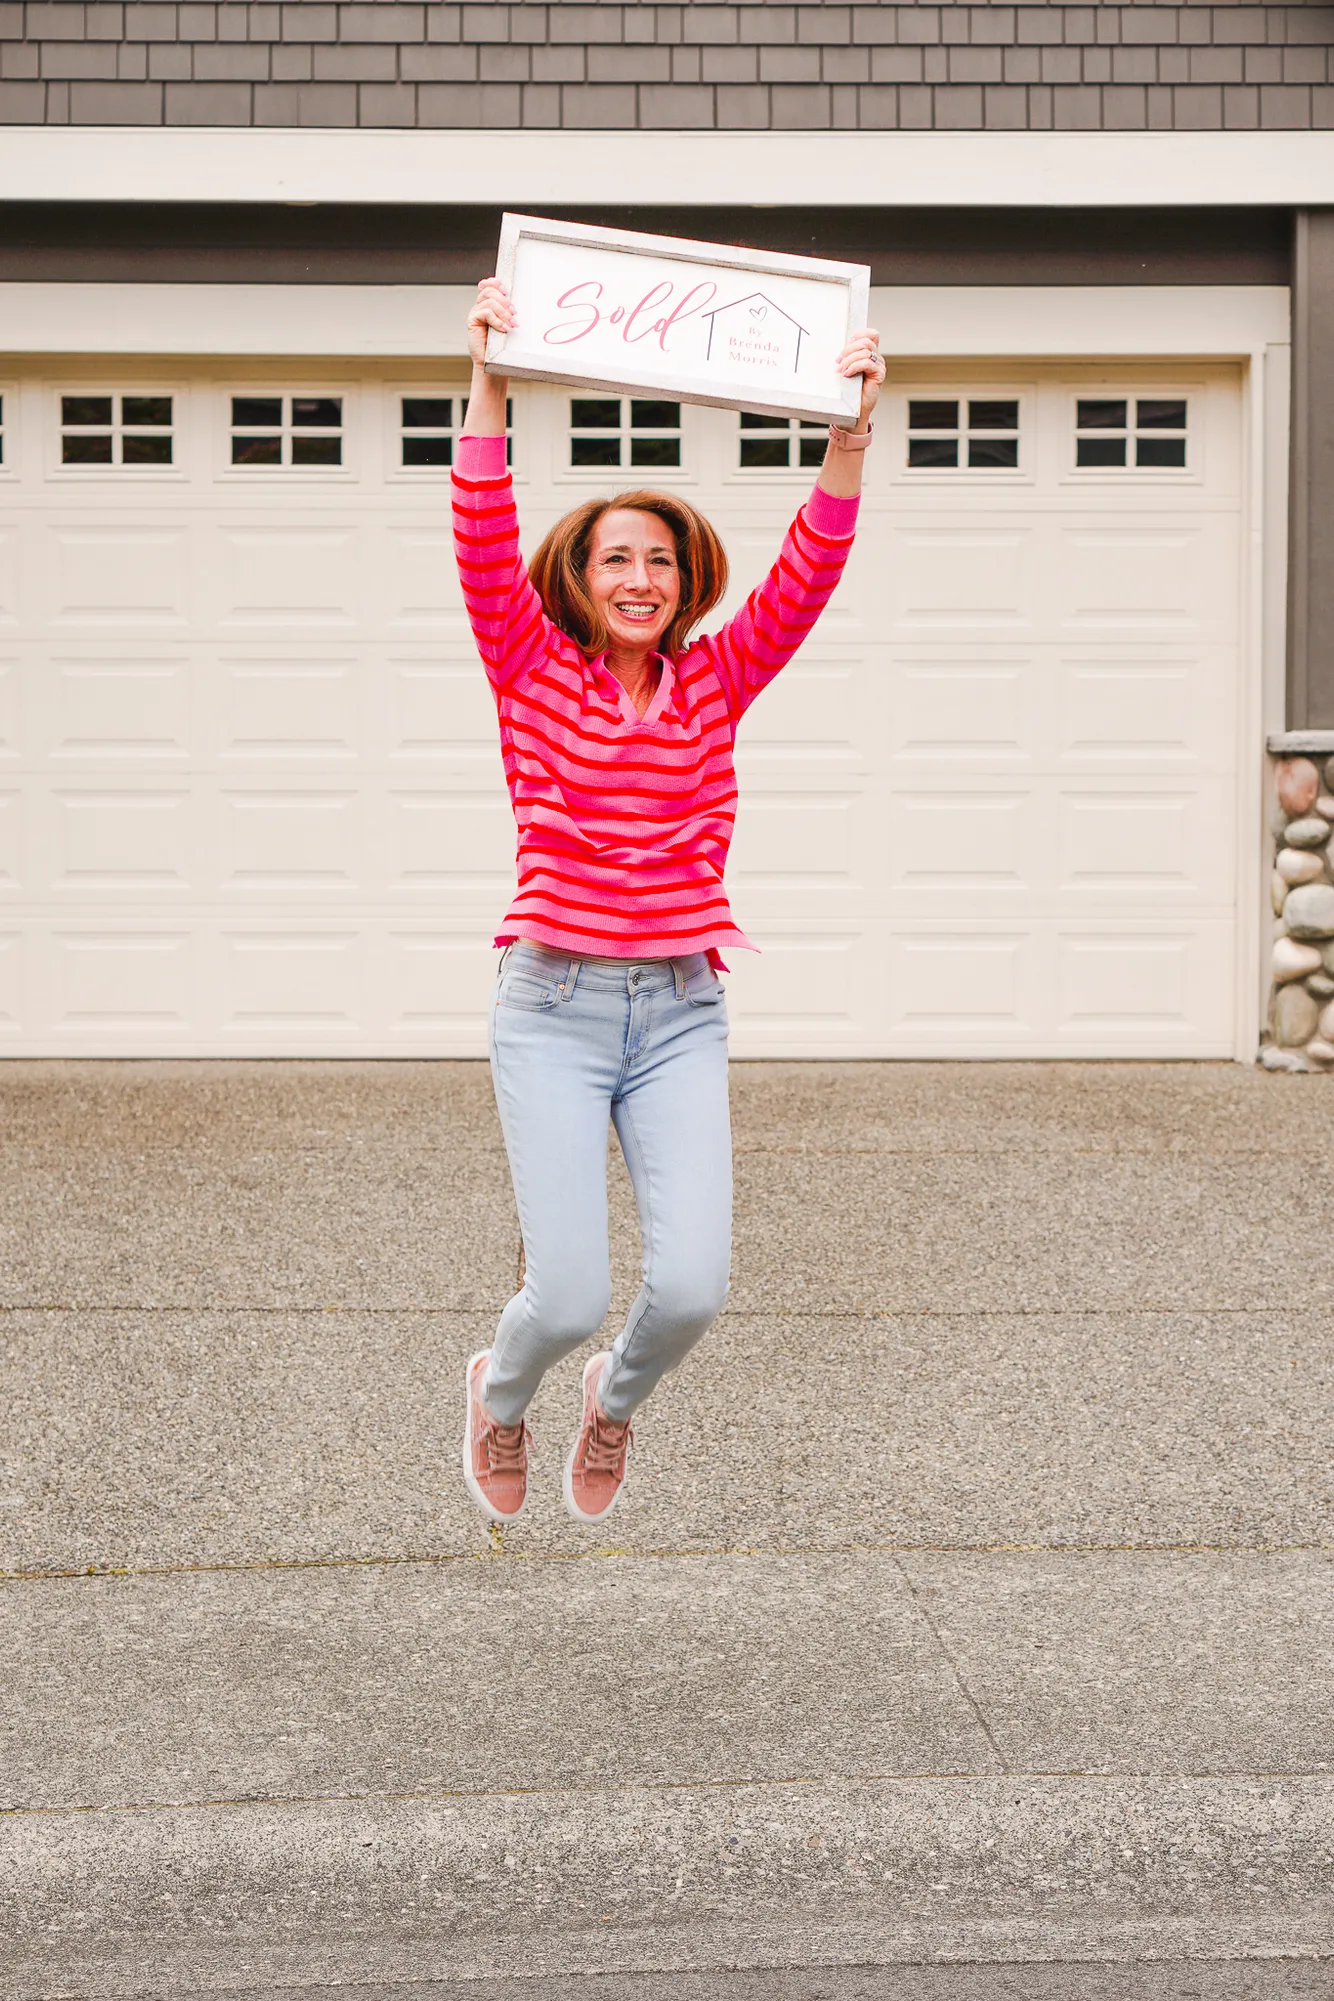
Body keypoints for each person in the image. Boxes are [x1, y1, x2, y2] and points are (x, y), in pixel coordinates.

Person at [453, 274, 884, 1527]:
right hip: (553, 1006)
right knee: (570, 1289)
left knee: (690, 1287)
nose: (637, 575)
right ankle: (499, 1395)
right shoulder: (528, 668)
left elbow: (810, 569)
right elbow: (482, 527)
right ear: (577, 578)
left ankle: (613, 1403)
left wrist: (847, 432)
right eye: (613, 557)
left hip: (682, 1009)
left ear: (683, 577)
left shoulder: (716, 681)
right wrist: (488, 373)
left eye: (657, 558)